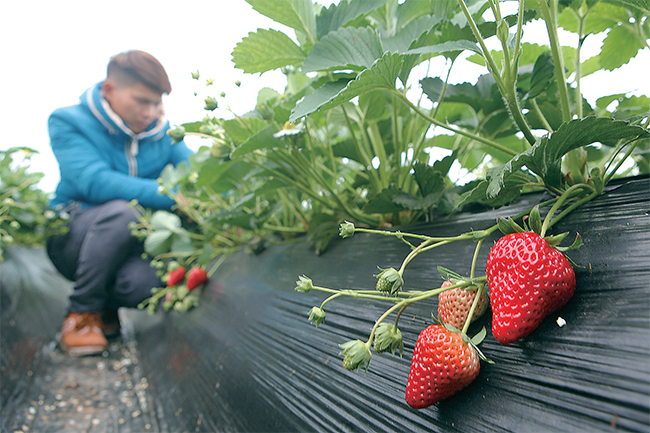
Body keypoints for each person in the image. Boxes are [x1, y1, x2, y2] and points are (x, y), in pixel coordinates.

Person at [46, 50, 192, 356]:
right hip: (73, 235)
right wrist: (172, 196)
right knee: (125, 211)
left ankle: (106, 310)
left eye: (156, 103)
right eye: (142, 101)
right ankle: (81, 316)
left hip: (130, 240)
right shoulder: (69, 121)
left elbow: (196, 176)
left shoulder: (163, 134)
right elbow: (94, 181)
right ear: (109, 90)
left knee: (147, 282)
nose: (151, 112)